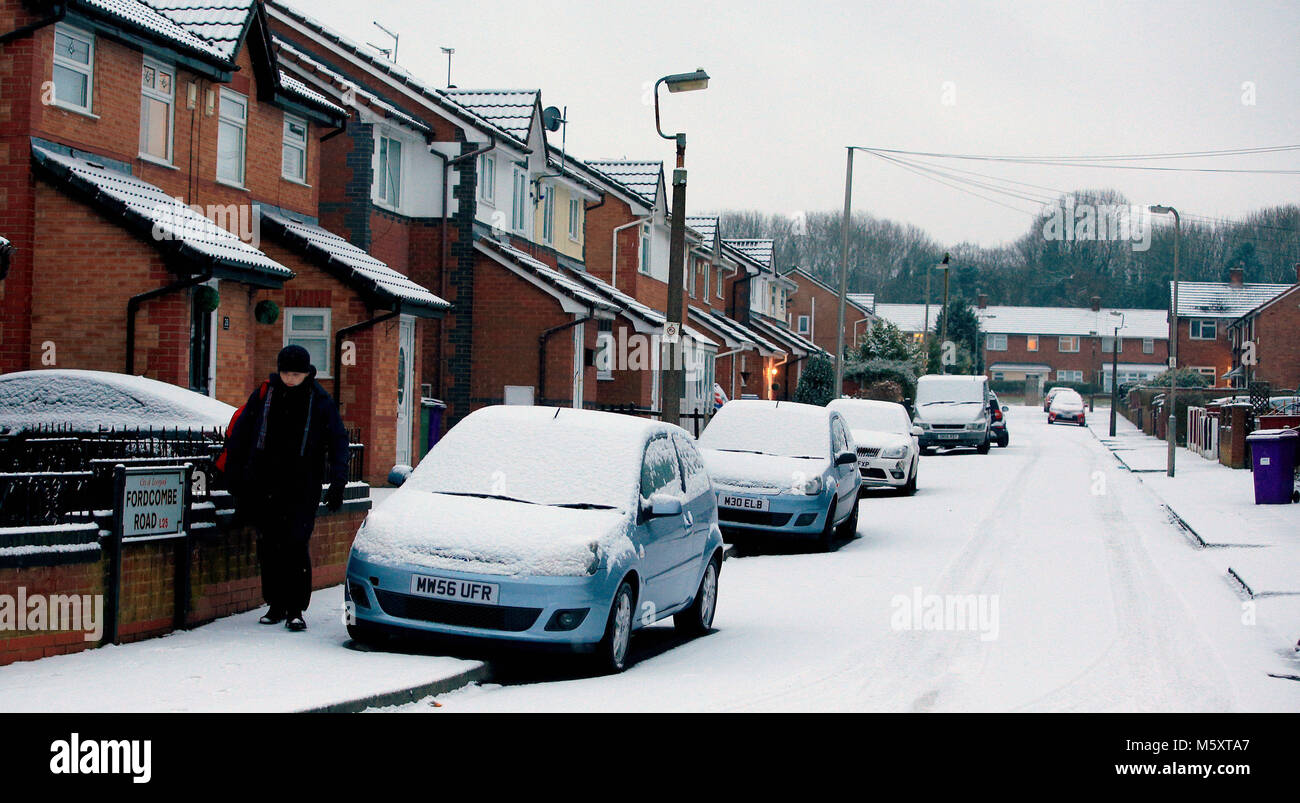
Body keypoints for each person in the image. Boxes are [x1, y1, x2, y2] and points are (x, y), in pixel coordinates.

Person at [225, 345, 349, 631]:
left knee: (295, 543)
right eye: (286, 373)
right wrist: (236, 475)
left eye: (296, 374)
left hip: (303, 484)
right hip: (265, 482)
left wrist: (338, 482)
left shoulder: (319, 400)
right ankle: (275, 604)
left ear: (306, 373)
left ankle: (296, 608)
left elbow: (338, 441)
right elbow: (241, 435)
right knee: (269, 544)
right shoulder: (265, 394)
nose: (290, 379)